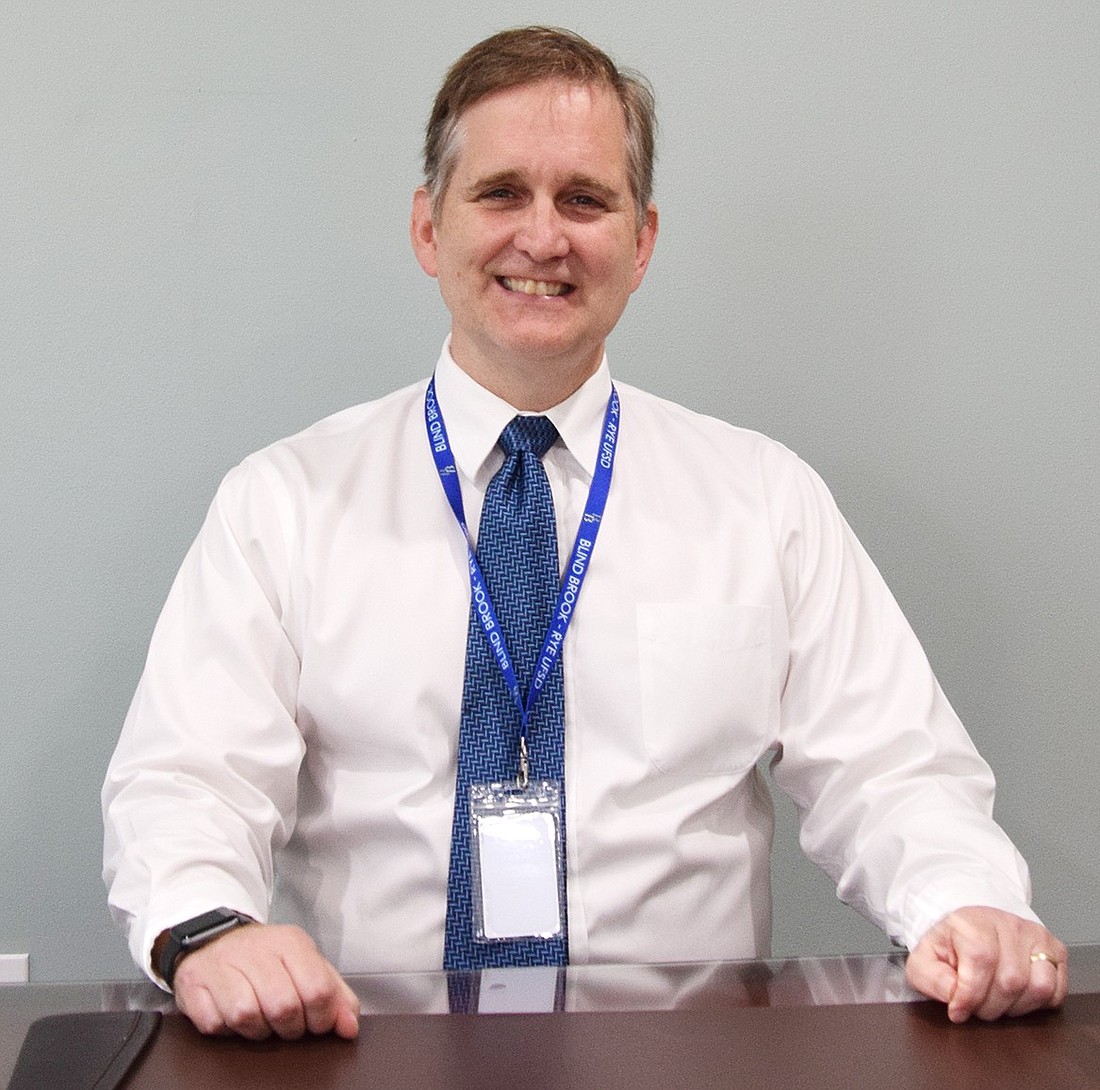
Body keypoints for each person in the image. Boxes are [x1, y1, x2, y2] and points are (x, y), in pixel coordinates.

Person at [102, 26, 1068, 1042]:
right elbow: (186, 778)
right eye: (500, 193)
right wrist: (208, 929)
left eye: (584, 199)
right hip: (369, 1050)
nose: (542, 236)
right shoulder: (284, 502)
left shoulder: (763, 499)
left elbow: (891, 772)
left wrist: (963, 903)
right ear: (429, 229)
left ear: (640, 240)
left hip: (685, 1057)